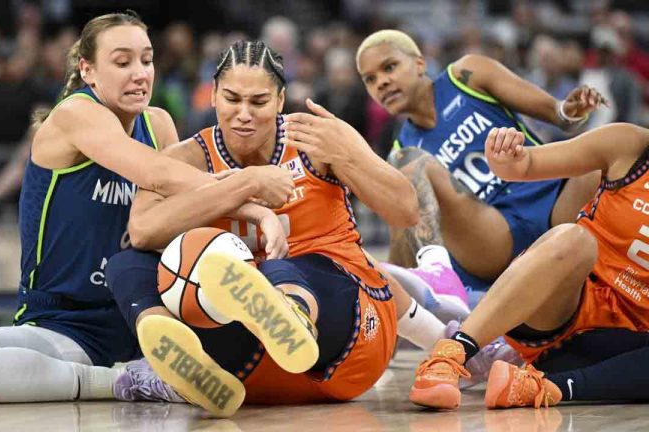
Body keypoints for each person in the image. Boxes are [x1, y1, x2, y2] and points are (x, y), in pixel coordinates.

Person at [105, 40, 507, 417]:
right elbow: (142, 231)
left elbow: (405, 211)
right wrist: (245, 184)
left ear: (281, 100)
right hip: (251, 372)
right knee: (127, 264)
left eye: (259, 101)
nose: (243, 113)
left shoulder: (315, 140)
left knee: (290, 264)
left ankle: (292, 312)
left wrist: (348, 154)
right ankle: (173, 355)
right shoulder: (188, 157)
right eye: (232, 99)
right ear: (212, 95)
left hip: (344, 336)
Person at [0, 12, 294, 403]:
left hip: (147, 313)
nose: (140, 73)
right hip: (67, 323)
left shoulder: (159, 124)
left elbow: (187, 207)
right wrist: (253, 198)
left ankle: (270, 327)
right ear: (87, 70)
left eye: (147, 60)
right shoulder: (74, 114)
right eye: (122, 62)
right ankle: (122, 382)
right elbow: (157, 173)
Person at [355, 30, 606, 303]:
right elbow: (402, 245)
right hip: (494, 237)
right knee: (409, 162)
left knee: (608, 151)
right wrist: (394, 297)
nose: (381, 82)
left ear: (419, 63)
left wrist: (571, 109)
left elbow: (558, 115)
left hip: (552, 199)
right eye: (370, 79)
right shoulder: (402, 155)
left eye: (389, 67)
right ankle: (444, 282)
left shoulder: (467, 74)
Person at [411, 123, 649, 410]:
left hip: (620, 350)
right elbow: (524, 165)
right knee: (576, 240)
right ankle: (449, 356)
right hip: (558, 306)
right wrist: (504, 156)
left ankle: (538, 387)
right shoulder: (628, 144)